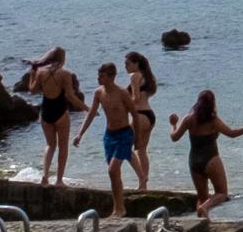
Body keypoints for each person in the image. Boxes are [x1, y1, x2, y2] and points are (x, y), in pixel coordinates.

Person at [171, 89, 243, 215]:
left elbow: (174, 137)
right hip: (210, 158)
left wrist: (173, 124)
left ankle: (202, 222)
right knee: (222, 193)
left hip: (194, 161)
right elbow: (232, 133)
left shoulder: (188, 119)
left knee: (202, 198)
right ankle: (205, 208)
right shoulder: (213, 121)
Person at [27, 48, 86, 185]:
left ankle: (45, 175)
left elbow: (32, 90)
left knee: (50, 145)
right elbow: (70, 96)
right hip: (60, 111)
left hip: (46, 111)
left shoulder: (41, 72)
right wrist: (86, 108)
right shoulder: (66, 74)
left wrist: (31, 75)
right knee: (63, 147)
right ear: (63, 59)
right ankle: (59, 180)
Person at [90, 61, 138, 212]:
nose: (98, 78)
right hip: (109, 136)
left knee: (112, 170)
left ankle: (119, 208)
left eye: (102, 76)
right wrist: (79, 134)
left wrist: (136, 137)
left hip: (124, 133)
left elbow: (135, 115)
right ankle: (118, 207)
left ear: (111, 77)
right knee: (114, 174)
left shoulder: (122, 93)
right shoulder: (99, 93)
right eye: (98, 75)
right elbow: (91, 114)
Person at [122, 49, 162, 191]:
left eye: (127, 64)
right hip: (150, 116)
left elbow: (135, 98)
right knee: (141, 151)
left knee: (124, 147)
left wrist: (123, 107)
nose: (125, 66)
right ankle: (143, 185)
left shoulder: (134, 76)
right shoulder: (147, 76)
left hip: (139, 115)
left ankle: (141, 178)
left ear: (136, 64)